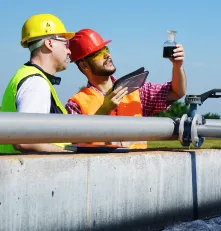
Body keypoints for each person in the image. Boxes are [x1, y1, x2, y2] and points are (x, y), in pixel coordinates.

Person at [65, 29, 187, 149]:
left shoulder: (136, 89)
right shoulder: (76, 104)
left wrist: (178, 66)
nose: (107, 55)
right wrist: (104, 110)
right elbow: (77, 141)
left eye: (106, 49)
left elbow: (177, 92)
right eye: (99, 53)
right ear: (84, 65)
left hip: (137, 166)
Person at [0, 14, 74, 153]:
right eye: (66, 44)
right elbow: (23, 140)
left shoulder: (27, 76)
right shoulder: (36, 83)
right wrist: (70, 156)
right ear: (49, 43)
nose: (69, 51)